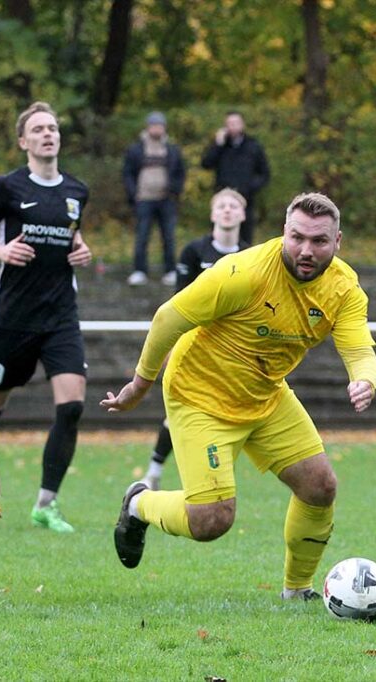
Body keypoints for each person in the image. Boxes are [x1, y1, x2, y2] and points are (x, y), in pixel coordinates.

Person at [102, 192, 376, 603]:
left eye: (319, 241)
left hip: (265, 394)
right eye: (297, 237)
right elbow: (169, 317)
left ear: (337, 242)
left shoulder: (343, 288)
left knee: (320, 487)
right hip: (200, 394)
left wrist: (364, 380)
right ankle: (139, 504)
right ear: (283, 233)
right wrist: (139, 386)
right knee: (212, 520)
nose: (306, 250)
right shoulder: (243, 272)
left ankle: (296, 589)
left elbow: (359, 349)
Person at [0, 101, 93, 533]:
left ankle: (46, 504)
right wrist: (0, 251)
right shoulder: (8, 188)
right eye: (38, 129)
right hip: (13, 318)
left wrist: (82, 250)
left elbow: (71, 236)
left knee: (72, 406)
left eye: (53, 127)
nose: (47, 134)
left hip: (61, 316)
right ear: (23, 141)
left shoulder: (77, 190)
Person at [140, 188, 251, 491]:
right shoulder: (193, 252)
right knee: (180, 409)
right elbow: (180, 302)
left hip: (235, 350)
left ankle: (214, 475)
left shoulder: (251, 256)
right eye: (221, 206)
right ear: (213, 214)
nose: (227, 210)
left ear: (242, 214)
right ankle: (153, 471)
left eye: (233, 206)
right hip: (196, 346)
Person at [122, 111, 186, 287]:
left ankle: (170, 271)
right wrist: (133, 193)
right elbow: (127, 172)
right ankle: (139, 271)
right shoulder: (136, 148)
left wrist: (175, 191)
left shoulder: (172, 149)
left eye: (160, 125)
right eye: (153, 125)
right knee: (142, 236)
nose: (156, 128)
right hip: (143, 199)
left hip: (167, 200)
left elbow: (181, 172)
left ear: (164, 128)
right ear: (148, 127)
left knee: (169, 236)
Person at [200, 111, 270, 245]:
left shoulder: (253, 146)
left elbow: (264, 174)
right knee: (219, 236)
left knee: (245, 238)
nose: (233, 127)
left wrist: (250, 188)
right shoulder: (221, 146)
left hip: (246, 199)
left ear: (242, 125)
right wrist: (217, 145)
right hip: (222, 198)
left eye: (236, 123)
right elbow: (206, 164)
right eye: (229, 124)